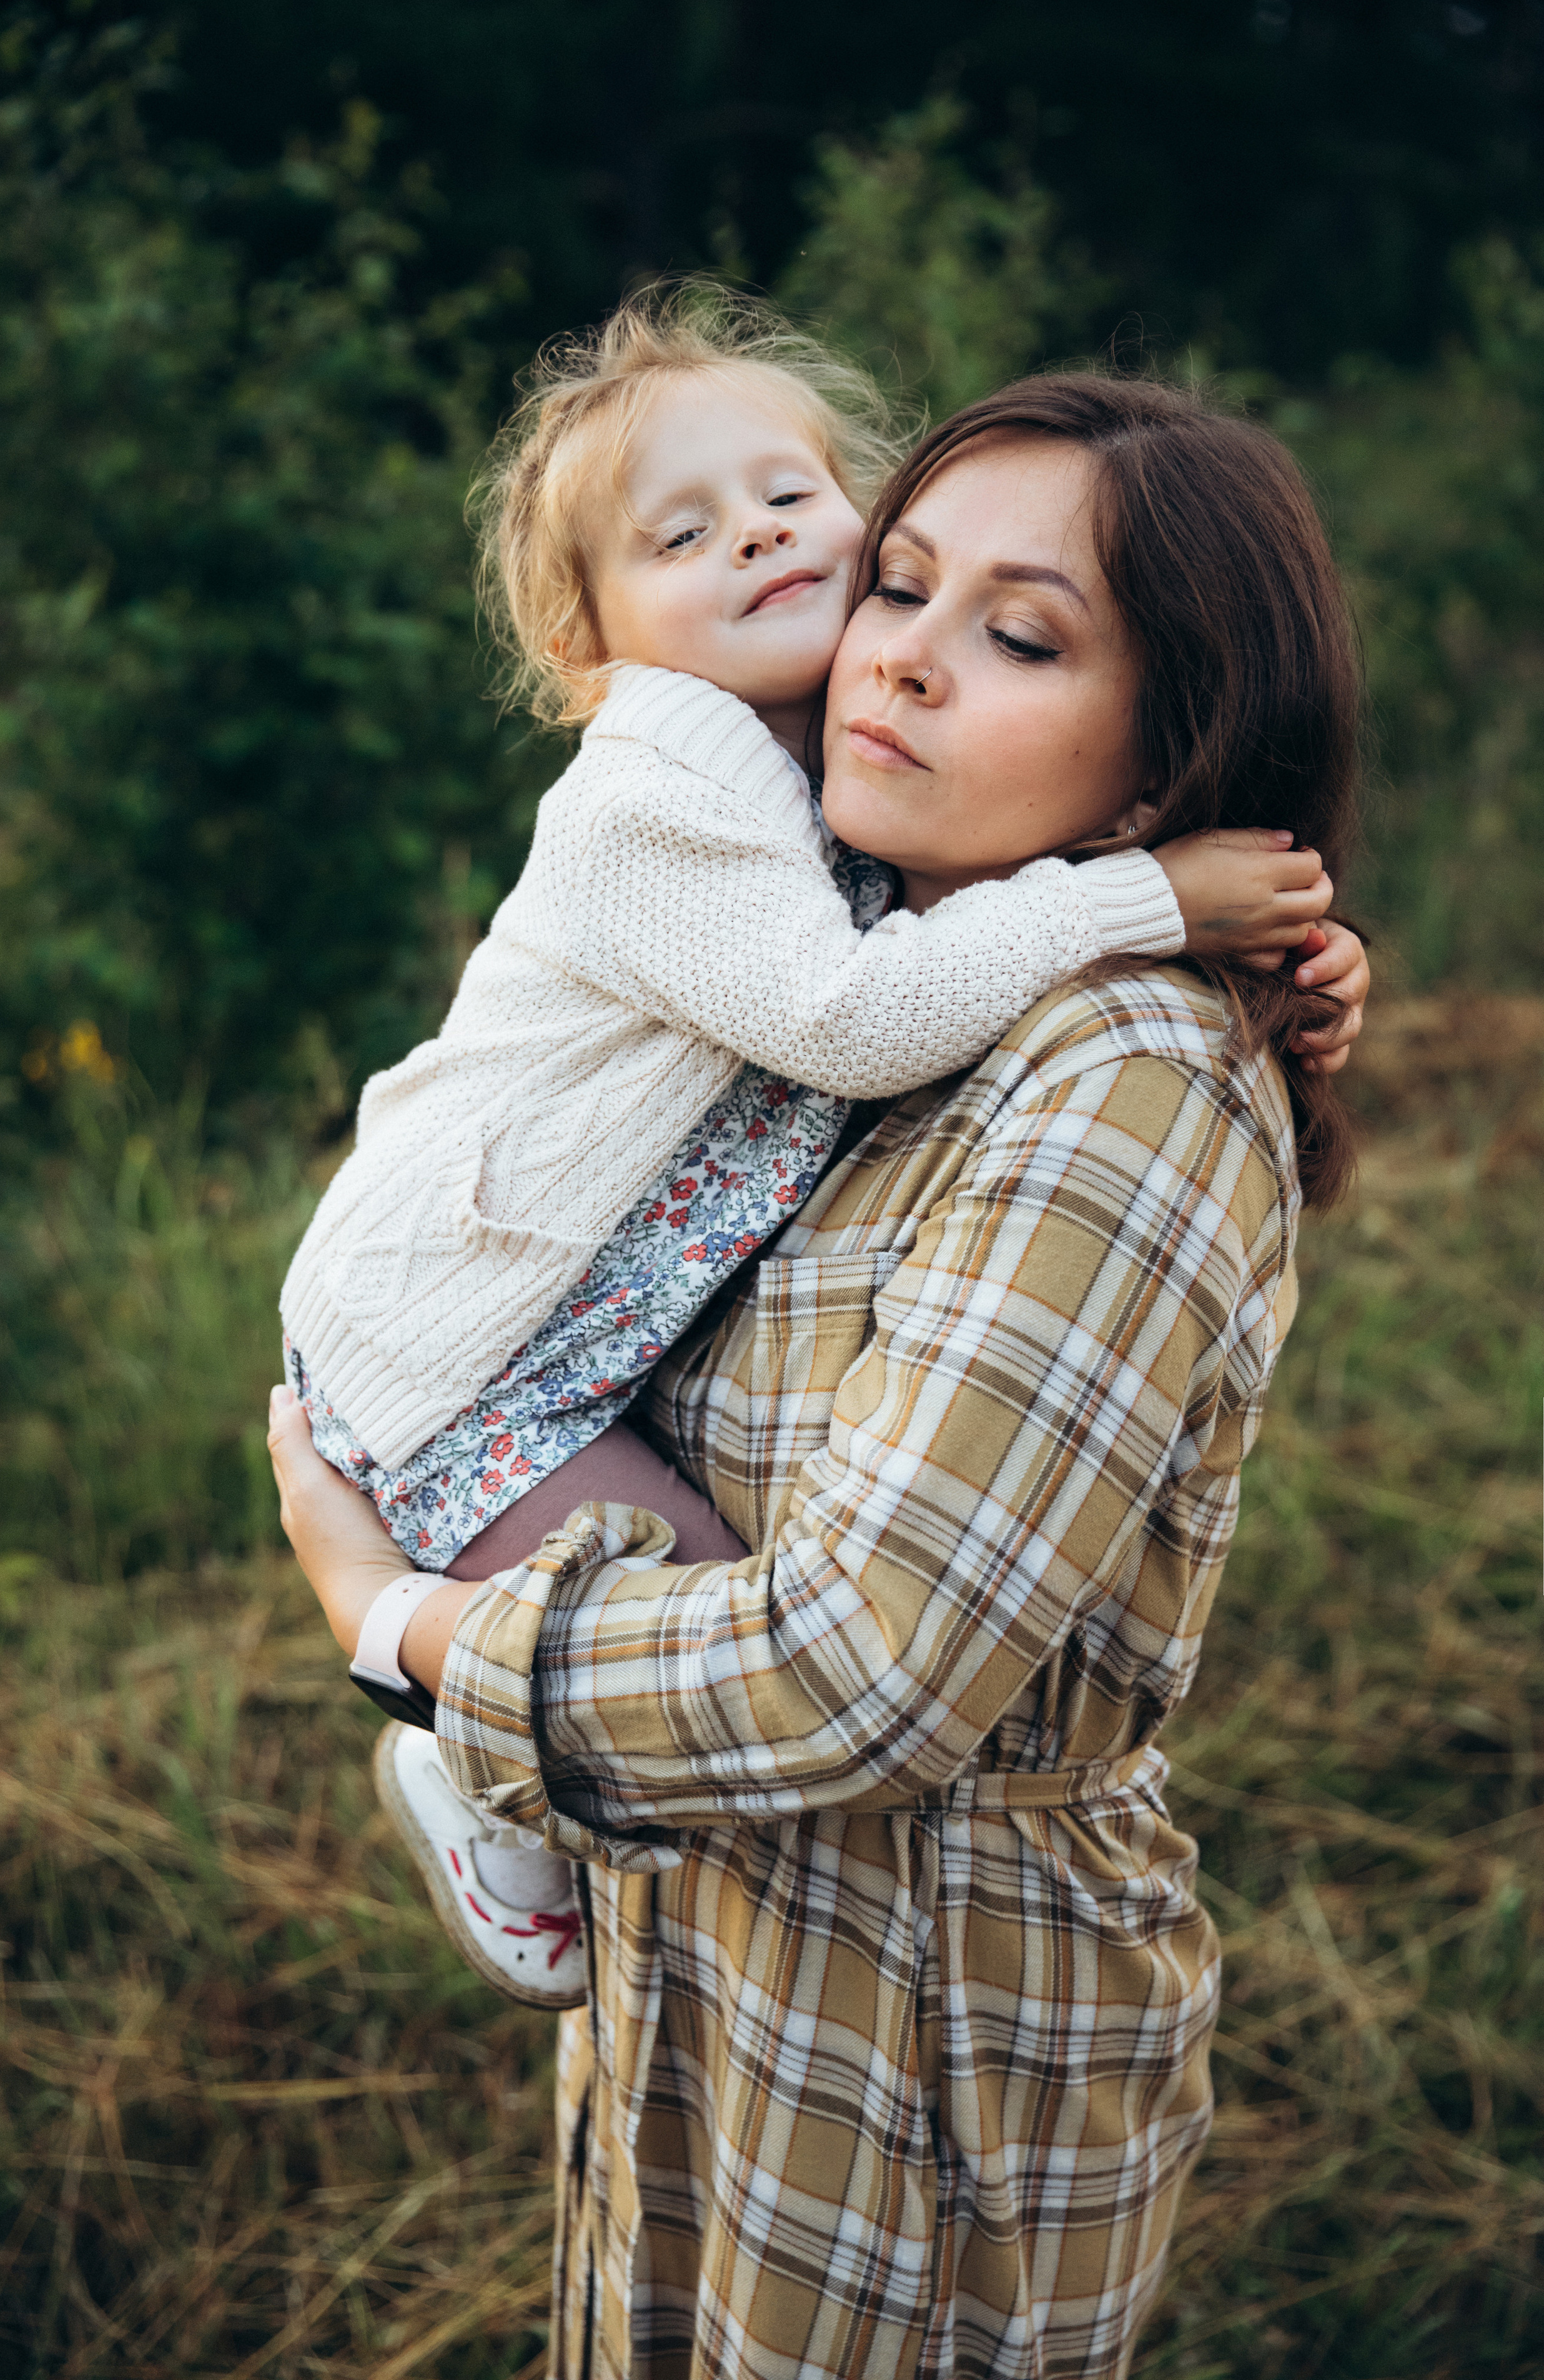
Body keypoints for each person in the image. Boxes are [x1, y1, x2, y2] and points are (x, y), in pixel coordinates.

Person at [271, 365, 1371, 2378]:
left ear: (1175, 755)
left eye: (1021, 637)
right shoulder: (872, 942)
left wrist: (395, 1624)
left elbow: (859, 1664)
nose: (901, 659)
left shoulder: (1115, 1072)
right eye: (905, 586)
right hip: (713, 1972)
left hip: (917, 2042)